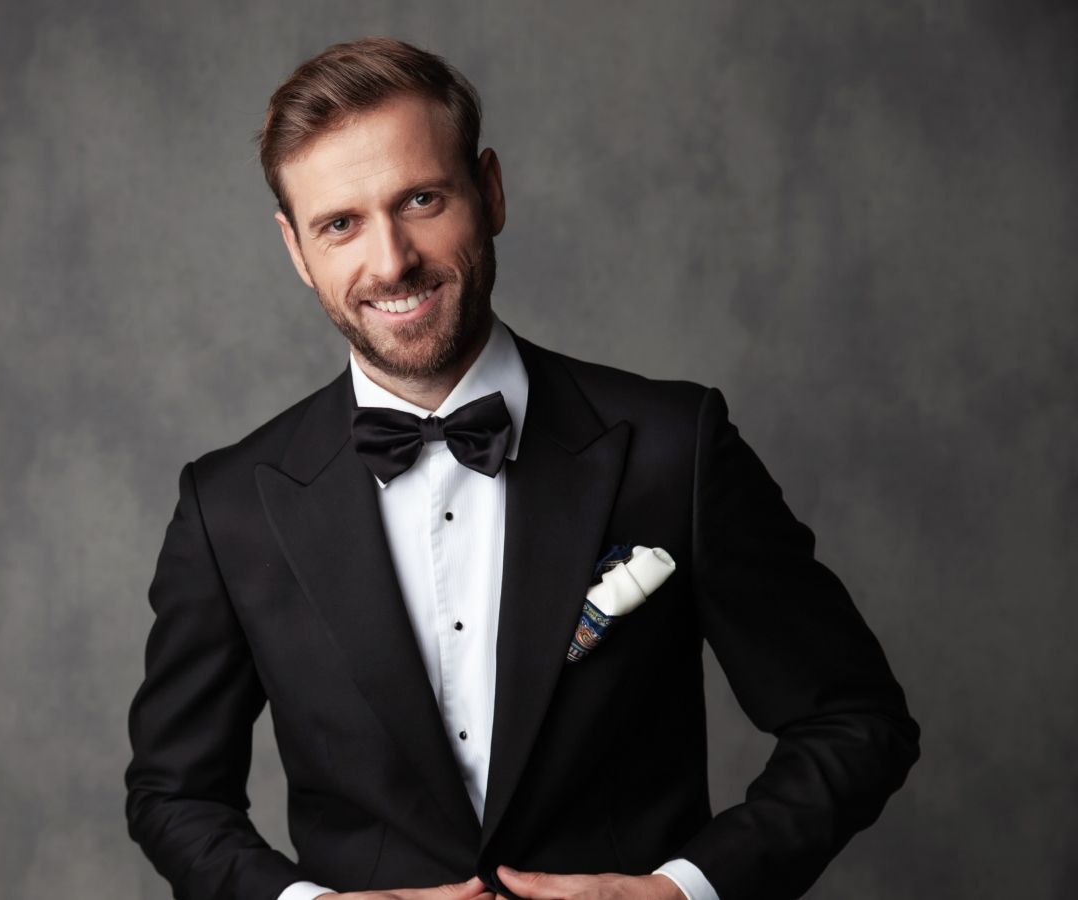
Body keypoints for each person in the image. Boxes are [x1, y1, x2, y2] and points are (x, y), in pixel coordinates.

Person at [123, 37, 919, 900]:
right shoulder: (228, 508)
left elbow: (854, 721)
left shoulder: (674, 446)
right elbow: (174, 796)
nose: (391, 261)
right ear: (296, 250)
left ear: (490, 191)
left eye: (421, 199)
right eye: (340, 224)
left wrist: (684, 892)